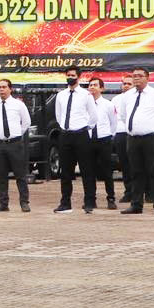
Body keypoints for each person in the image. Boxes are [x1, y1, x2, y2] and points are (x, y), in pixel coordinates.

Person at [117, 67, 154, 215]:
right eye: (134, 76)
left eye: (140, 76)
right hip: (133, 138)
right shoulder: (127, 96)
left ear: (147, 78)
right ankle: (136, 204)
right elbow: (123, 115)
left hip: (150, 137)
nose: (136, 79)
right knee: (136, 171)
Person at [54, 66, 98, 214]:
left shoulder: (86, 95)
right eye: (68, 75)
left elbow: (93, 117)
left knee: (87, 170)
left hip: (81, 134)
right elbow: (59, 115)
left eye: (73, 75)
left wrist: (84, 128)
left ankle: (89, 202)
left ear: (78, 77)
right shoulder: (61, 95)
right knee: (65, 171)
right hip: (66, 134)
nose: (70, 77)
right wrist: (65, 128)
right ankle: (65, 203)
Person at [0, 78, 31, 213]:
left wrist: (16, 134)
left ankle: (24, 202)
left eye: (4, 87)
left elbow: (26, 122)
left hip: (15, 143)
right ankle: (3, 203)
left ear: (10, 89)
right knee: (1, 175)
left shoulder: (18, 104)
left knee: (20, 175)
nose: (1, 89)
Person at [87, 77, 117, 210]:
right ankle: (91, 199)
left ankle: (111, 198)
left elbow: (113, 123)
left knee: (106, 171)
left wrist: (109, 135)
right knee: (89, 171)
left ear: (102, 88)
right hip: (88, 140)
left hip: (104, 139)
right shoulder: (85, 104)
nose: (92, 87)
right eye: (90, 85)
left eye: (95, 85)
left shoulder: (108, 105)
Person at [113, 74, 135, 202]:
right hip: (121, 133)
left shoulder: (139, 97)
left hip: (135, 133)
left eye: (129, 84)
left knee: (139, 164)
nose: (126, 86)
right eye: (124, 83)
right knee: (125, 164)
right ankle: (129, 191)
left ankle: (147, 191)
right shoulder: (116, 99)